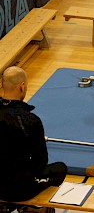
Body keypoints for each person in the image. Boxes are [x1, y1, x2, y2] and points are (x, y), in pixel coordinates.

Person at [0, 66, 67, 203]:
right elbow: (40, 162)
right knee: (60, 169)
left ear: (2, 85)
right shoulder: (29, 120)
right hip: (15, 189)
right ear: (22, 86)